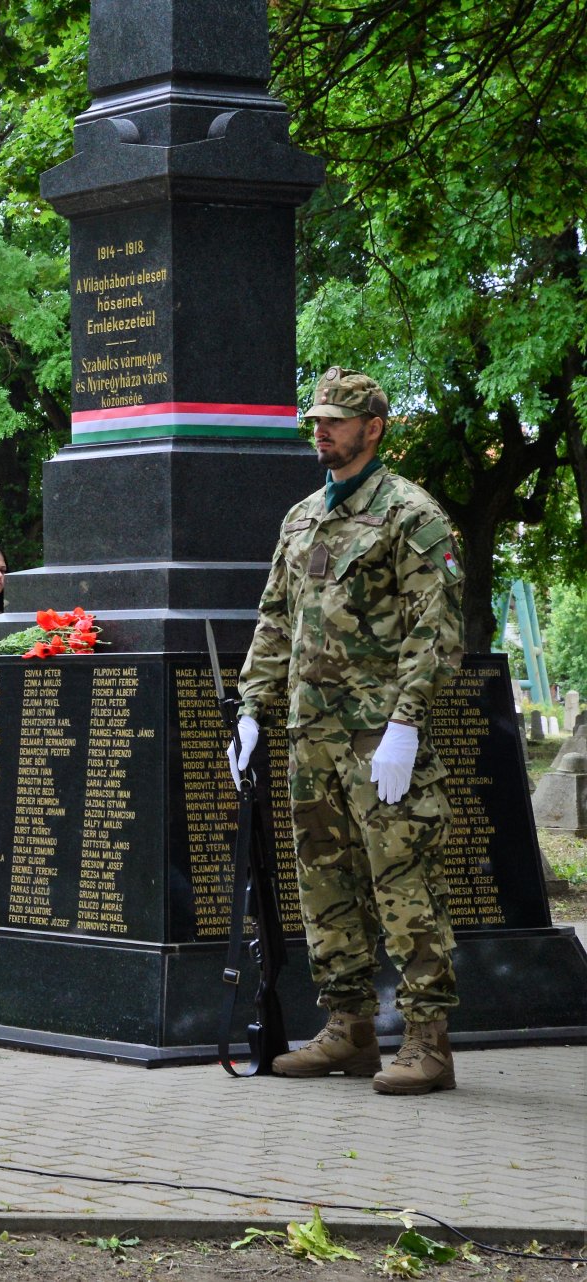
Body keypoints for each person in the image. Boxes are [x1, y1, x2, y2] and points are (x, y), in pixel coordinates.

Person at [231, 366, 465, 1095]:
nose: (322, 429)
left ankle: (427, 1039)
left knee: (403, 879)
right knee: (323, 884)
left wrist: (406, 723)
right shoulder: (301, 518)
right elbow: (275, 621)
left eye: (337, 419)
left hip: (378, 736)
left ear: (375, 427)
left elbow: (437, 632)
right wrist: (251, 708)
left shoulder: (411, 515)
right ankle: (349, 1029)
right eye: (316, 419)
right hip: (312, 735)